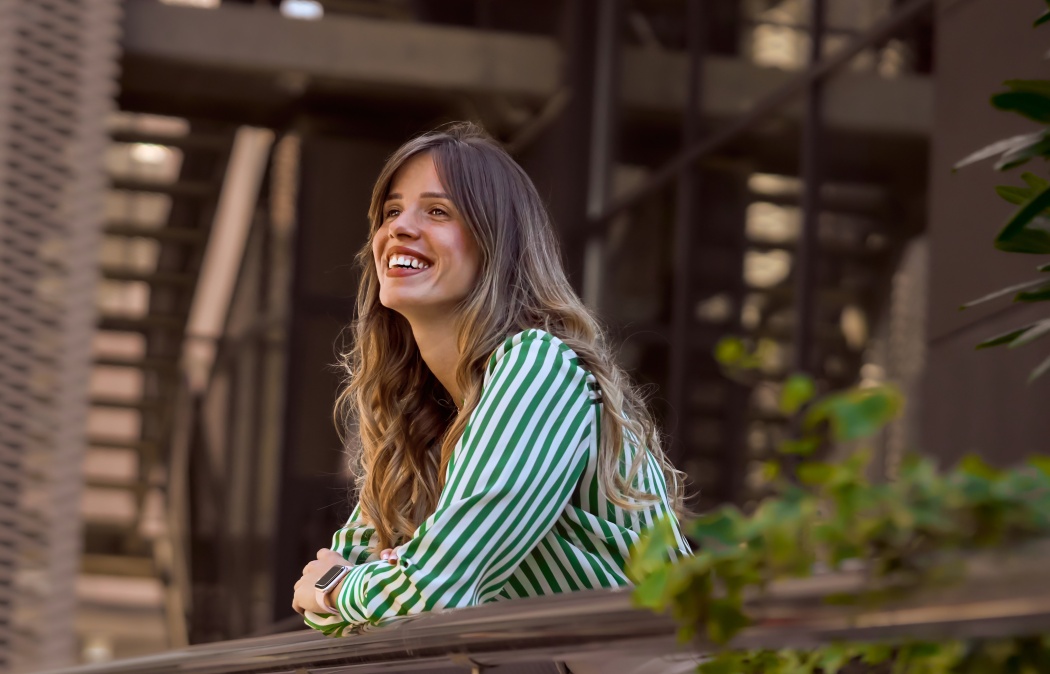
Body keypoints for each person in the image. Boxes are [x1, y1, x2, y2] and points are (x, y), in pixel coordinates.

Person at [291, 122, 691, 636]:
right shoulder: (422, 410)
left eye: (437, 211)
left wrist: (337, 588)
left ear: (496, 244)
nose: (400, 228)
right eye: (391, 211)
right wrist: (351, 591)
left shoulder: (538, 367)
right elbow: (337, 611)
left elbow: (430, 590)